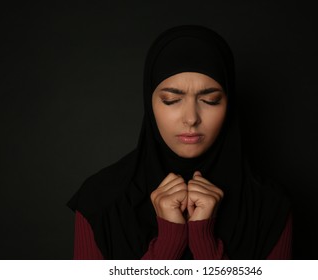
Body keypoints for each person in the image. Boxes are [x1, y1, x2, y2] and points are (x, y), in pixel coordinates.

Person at [67, 25, 292, 260]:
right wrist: (169, 241)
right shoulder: (100, 201)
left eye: (211, 100)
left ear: (229, 104)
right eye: (171, 100)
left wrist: (204, 242)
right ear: (150, 103)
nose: (191, 118)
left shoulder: (270, 206)